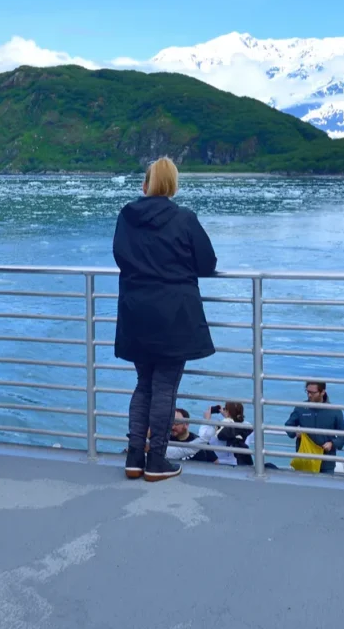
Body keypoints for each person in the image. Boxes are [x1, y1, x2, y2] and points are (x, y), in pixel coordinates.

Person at [114, 157, 217, 482]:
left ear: (145, 184)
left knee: (143, 385)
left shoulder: (126, 217)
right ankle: (156, 460)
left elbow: (119, 255)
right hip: (174, 316)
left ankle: (134, 458)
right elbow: (207, 263)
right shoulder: (184, 219)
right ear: (172, 185)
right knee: (165, 388)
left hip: (136, 313)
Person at [285, 381, 344, 474]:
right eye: (307, 392)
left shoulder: (334, 411)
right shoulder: (301, 408)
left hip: (326, 462)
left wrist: (333, 444)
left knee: (326, 487)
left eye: (312, 393)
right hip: (305, 460)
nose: (309, 395)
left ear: (322, 392)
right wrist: (295, 433)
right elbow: (288, 425)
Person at [200, 402, 253, 467]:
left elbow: (202, 437)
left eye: (225, 409)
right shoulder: (247, 428)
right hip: (238, 464)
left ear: (227, 412)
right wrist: (228, 416)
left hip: (216, 464)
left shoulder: (216, 430)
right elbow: (237, 422)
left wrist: (206, 420)